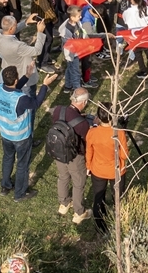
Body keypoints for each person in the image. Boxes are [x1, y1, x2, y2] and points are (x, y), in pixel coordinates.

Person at [0, 65, 58, 201]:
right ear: (16, 80)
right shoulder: (21, 99)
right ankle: (20, 194)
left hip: (5, 133)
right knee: (22, 164)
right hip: (21, 136)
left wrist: (27, 76)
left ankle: (5, 186)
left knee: (7, 158)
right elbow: (36, 103)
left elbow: (12, 88)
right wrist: (45, 85)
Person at [50, 87, 93, 225]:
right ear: (84, 102)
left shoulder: (58, 110)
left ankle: (63, 204)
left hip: (59, 151)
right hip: (75, 157)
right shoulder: (83, 124)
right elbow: (85, 143)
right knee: (78, 183)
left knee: (63, 176)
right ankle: (79, 212)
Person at [86, 102, 128, 232]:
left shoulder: (92, 132)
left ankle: (101, 226)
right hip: (116, 170)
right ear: (112, 117)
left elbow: (89, 151)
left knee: (98, 198)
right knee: (118, 197)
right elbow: (124, 155)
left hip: (98, 170)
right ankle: (118, 223)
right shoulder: (118, 133)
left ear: (98, 116)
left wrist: (89, 166)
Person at [58, 5, 91, 91]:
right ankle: (78, 90)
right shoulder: (66, 31)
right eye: (79, 16)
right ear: (72, 17)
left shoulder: (77, 22)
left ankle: (68, 86)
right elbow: (68, 45)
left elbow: (81, 32)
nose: (81, 17)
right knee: (75, 72)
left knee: (70, 68)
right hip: (71, 54)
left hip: (76, 51)